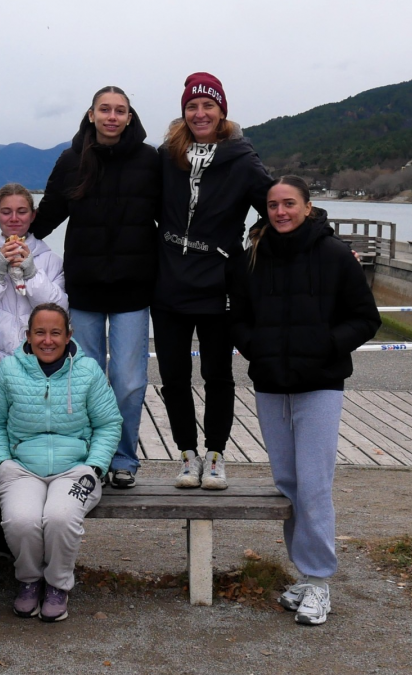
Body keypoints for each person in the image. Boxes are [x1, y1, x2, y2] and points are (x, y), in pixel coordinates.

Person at [230, 176, 380, 625]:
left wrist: (325, 345)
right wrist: (256, 347)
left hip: (320, 384)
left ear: (308, 207)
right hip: (271, 385)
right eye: (273, 205)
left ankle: (319, 583)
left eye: (289, 203)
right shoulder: (252, 258)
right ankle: (307, 576)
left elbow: (365, 318)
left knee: (314, 485)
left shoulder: (334, 255)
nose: (280, 212)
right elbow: (237, 317)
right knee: (290, 483)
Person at [31, 86, 161, 489]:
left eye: (119, 110)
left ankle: (123, 457)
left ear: (129, 117)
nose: (111, 116)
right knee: (84, 379)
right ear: (91, 115)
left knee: (127, 379)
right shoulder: (71, 160)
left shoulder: (149, 159)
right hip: (84, 287)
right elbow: (48, 214)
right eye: (104, 109)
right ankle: (90, 458)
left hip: (134, 287)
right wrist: (15, 241)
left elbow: (172, 216)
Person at [154, 72, 273, 490]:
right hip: (168, 280)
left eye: (208, 105)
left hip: (219, 281)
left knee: (218, 375)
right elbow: (132, 199)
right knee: (172, 376)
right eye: (192, 106)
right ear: (183, 112)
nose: (200, 113)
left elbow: (275, 207)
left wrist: (323, 240)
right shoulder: (167, 155)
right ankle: (187, 454)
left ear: (222, 110)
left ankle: (217, 454)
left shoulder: (242, 158)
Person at [0, 303, 122, 622]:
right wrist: (1, 462)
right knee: (21, 520)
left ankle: (57, 585)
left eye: (55, 332)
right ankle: (29, 581)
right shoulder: (8, 370)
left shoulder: (87, 371)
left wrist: (96, 467)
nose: (47, 340)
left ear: (69, 335)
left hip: (76, 470)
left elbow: (109, 423)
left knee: (59, 517)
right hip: (21, 469)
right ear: (28, 336)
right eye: (39, 332)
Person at [0, 182, 67, 359]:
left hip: (37, 359)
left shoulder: (52, 261)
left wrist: (32, 274)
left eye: (22, 212)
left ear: (33, 216)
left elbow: (60, 316)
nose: (14, 218)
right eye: (6, 212)